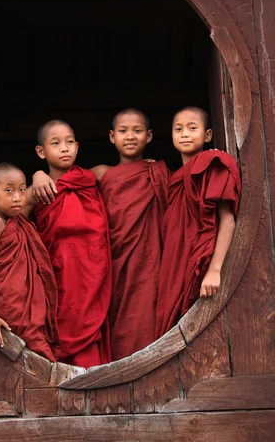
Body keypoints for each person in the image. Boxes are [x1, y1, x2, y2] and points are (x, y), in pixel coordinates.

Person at [0, 122, 112, 369]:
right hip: (54, 277)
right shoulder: (34, 192)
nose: (64, 148)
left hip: (93, 275)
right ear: (41, 152)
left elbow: (118, 173)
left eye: (69, 142)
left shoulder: (89, 178)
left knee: (91, 332)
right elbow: (9, 221)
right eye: (55, 143)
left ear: (77, 146)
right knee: (56, 332)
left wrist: (143, 163)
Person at [32, 109, 170, 360]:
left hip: (138, 264)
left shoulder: (156, 173)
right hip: (92, 268)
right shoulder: (95, 174)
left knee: (142, 318)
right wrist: (37, 174)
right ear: (111, 136)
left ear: (148, 136)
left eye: (137, 131)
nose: (130, 137)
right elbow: (23, 205)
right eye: (123, 131)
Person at [155, 107, 241, 338]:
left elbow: (228, 220)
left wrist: (214, 270)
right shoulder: (173, 179)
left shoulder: (212, 164)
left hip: (202, 265)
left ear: (208, 135)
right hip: (175, 266)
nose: (185, 133)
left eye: (192, 128)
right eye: (178, 129)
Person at [0, 162, 58, 362]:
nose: (17, 198)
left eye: (22, 190)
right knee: (37, 358)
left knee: (37, 355)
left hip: (25, 305)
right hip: (8, 305)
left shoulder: (17, 220)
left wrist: (39, 172)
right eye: (9, 191)